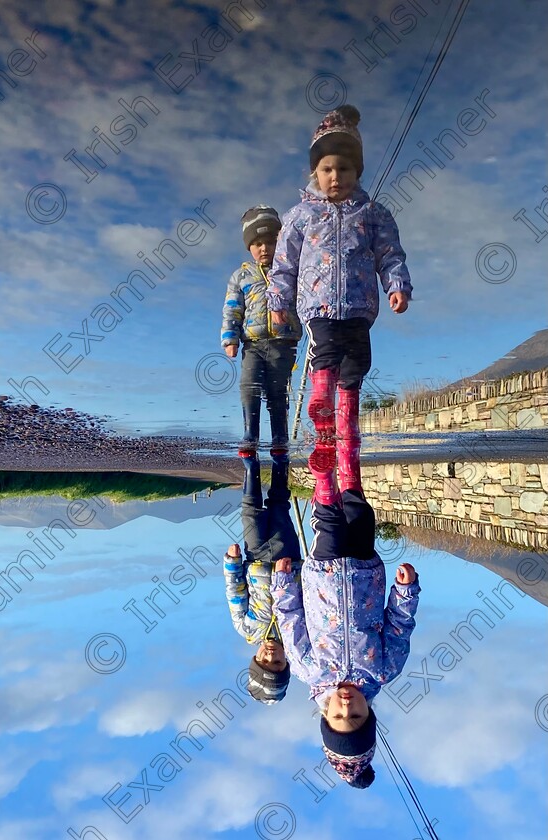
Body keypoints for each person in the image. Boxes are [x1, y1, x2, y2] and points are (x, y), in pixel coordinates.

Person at [267, 105, 412, 490]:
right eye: (328, 169)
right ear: (314, 172)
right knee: (326, 352)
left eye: (345, 169)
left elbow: (389, 253)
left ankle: (345, 425)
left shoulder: (373, 213)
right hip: (318, 305)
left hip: (360, 305)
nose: (336, 177)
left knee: (358, 363)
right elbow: (284, 263)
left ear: (357, 172)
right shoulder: (299, 216)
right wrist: (278, 301)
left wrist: (396, 285)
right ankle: (320, 405)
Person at [270, 443, 420, 786]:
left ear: (325, 715)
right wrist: (405, 592)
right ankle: (347, 448)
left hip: (322, 574)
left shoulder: (309, 670)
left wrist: (282, 583)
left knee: (331, 523)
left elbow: (291, 620)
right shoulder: (384, 671)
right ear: (369, 714)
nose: (346, 706)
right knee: (360, 513)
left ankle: (323, 474)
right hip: (367, 573)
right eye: (355, 715)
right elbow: (400, 626)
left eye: (338, 715)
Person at [223, 450, 302, 704]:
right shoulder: (296, 635)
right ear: (286, 661)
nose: (270, 655)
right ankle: (280, 461)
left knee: (250, 511)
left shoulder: (245, 629)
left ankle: (250, 465)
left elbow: (235, 592)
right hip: (287, 557)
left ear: (255, 658)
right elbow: (308, 601)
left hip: (255, 557)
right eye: (277, 661)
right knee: (280, 506)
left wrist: (232, 564)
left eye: (264, 660)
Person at [221, 206, 302, 455]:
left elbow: (305, 299)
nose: (264, 248)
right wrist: (229, 338)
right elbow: (232, 309)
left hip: (283, 342)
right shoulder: (241, 276)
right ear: (249, 247)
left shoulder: (290, 271)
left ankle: (280, 437)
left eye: (270, 241)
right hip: (252, 345)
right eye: (257, 243)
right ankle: (250, 435)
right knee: (249, 387)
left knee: (278, 392)